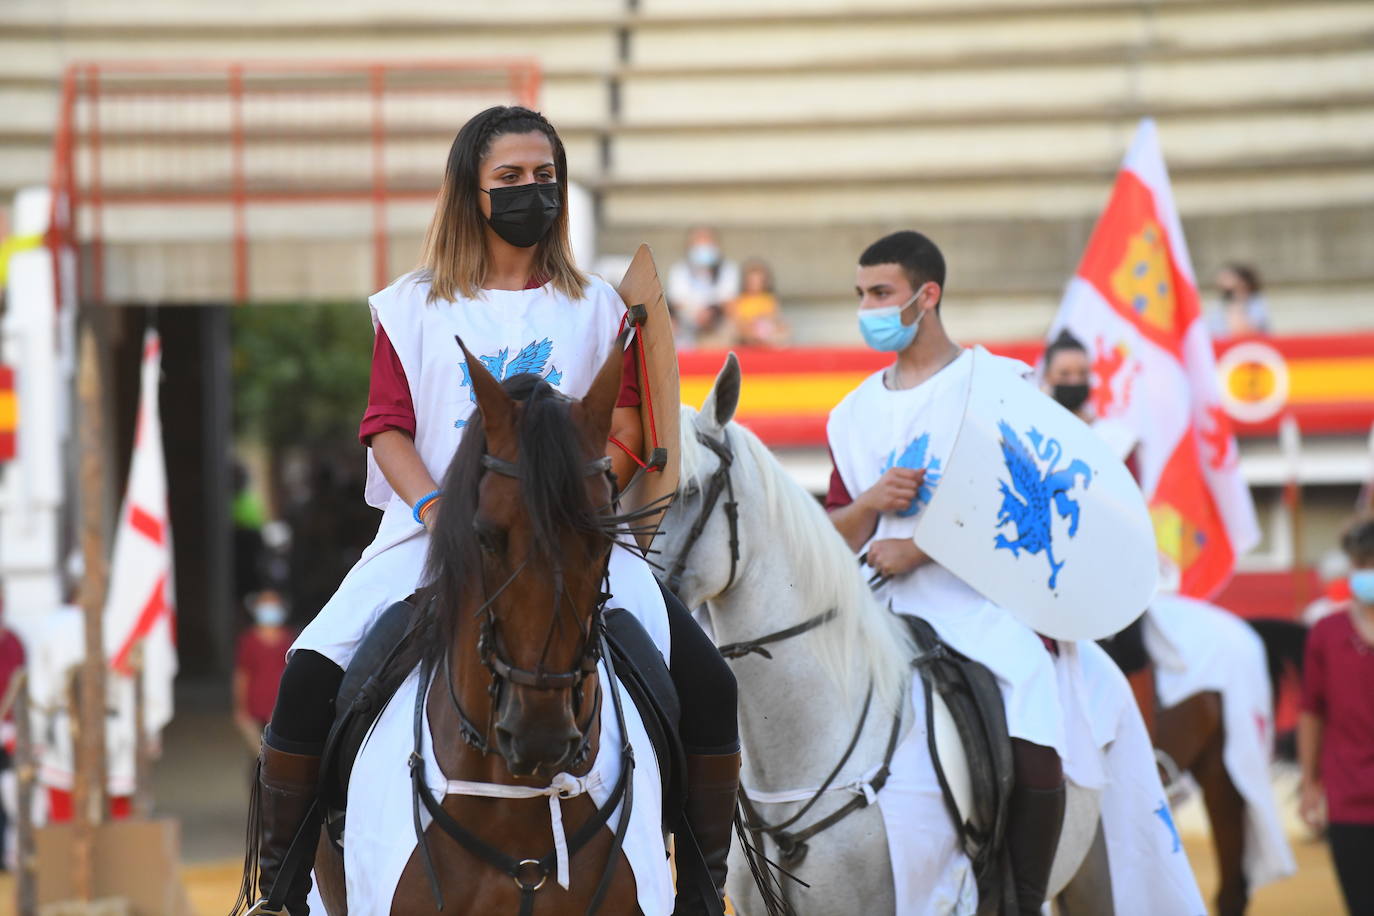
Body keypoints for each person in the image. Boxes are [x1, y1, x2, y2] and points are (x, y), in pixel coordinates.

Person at [250, 106, 739, 916]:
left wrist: (573, 499)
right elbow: (387, 430)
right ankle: (281, 891)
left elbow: (626, 431)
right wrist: (442, 507)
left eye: (544, 178)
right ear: (472, 192)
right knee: (307, 678)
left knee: (707, 683)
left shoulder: (598, 308)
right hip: (432, 533)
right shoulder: (412, 307)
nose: (530, 193)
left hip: (574, 544)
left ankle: (700, 889)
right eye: (509, 179)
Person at [824, 231, 1067, 914]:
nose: (868, 307)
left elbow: (1030, 508)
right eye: (861, 295)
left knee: (1034, 703)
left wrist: (920, 550)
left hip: (980, 604)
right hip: (882, 614)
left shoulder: (998, 384)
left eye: (881, 294)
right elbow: (834, 537)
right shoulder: (850, 415)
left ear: (927, 297)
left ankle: (1020, 896)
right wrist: (871, 504)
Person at [1041, 330, 1155, 734]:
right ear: (1047, 376)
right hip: (1041, 564)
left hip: (1103, 565)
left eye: (1081, 373)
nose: (1073, 381)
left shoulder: (1116, 439)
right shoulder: (1035, 432)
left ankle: (1148, 746)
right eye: (1064, 372)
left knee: (1131, 642)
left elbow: (1132, 508)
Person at [1299, 516, 1374, 915]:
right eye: (1362, 564)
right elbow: (1312, 711)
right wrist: (1310, 784)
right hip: (1348, 799)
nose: (1369, 573)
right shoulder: (1326, 632)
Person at [233, 590, 295, 754]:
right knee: (258, 757)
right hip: (254, 709)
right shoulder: (248, 641)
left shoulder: (289, 639)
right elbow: (242, 675)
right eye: (265, 605)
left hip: (281, 710)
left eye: (273, 605)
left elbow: (295, 675)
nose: (269, 609)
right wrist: (241, 708)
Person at [666, 226, 739, 349]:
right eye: (699, 242)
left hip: (717, 325)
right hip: (687, 326)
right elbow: (677, 301)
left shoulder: (728, 269)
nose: (703, 247)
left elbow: (729, 302)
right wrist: (696, 314)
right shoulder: (678, 270)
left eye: (708, 242)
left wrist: (709, 314)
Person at [727, 259, 788, 347]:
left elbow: (774, 317)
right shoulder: (740, 300)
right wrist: (749, 325)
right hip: (745, 333)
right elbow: (736, 319)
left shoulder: (769, 300)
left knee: (781, 329)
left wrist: (763, 321)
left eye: (758, 281)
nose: (755, 284)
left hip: (766, 332)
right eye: (752, 281)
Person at [1207, 263, 1271, 339]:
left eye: (1227, 277)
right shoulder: (1218, 304)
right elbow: (1213, 331)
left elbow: (1248, 331)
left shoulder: (1256, 301)